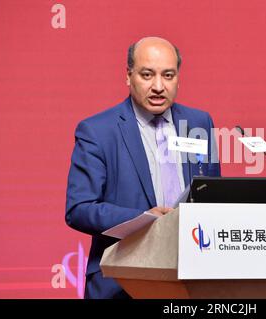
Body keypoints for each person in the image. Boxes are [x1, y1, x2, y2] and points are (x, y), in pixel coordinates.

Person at [65, 37, 221, 299]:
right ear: (128, 76)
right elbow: (79, 209)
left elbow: (213, 197)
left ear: (178, 78)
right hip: (121, 280)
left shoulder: (200, 122)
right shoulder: (97, 131)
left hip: (191, 278)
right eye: (147, 75)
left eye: (168, 75)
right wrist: (144, 220)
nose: (158, 86)